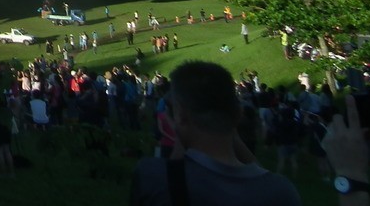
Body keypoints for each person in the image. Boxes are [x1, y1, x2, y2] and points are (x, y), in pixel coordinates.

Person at [128, 60, 300, 205]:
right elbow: (263, 176)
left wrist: (179, 135)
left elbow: (172, 173)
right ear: (238, 114)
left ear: (181, 115)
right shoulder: (282, 192)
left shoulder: (151, 176)